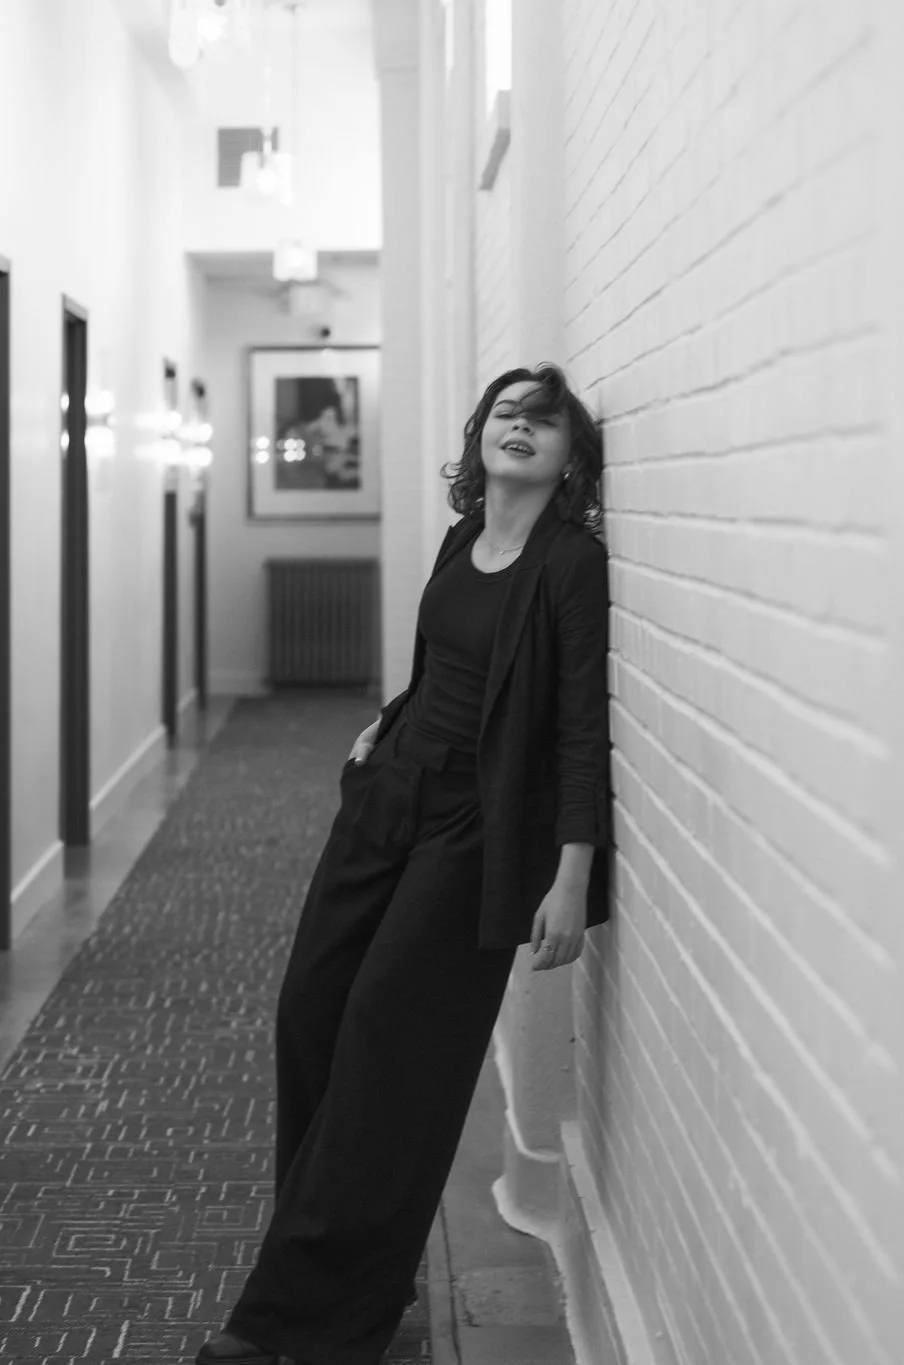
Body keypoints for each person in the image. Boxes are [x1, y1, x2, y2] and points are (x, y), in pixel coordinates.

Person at [196, 362, 612, 1365]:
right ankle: (326, 1251)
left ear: (569, 461)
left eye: (544, 422)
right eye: (507, 412)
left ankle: (298, 1319)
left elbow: (574, 726)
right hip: (391, 794)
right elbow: (443, 671)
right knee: (310, 1009)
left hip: (476, 825)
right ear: (478, 436)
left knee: (390, 1041)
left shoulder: (566, 563)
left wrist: (567, 874)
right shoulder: (464, 538)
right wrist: (384, 725)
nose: (520, 427)